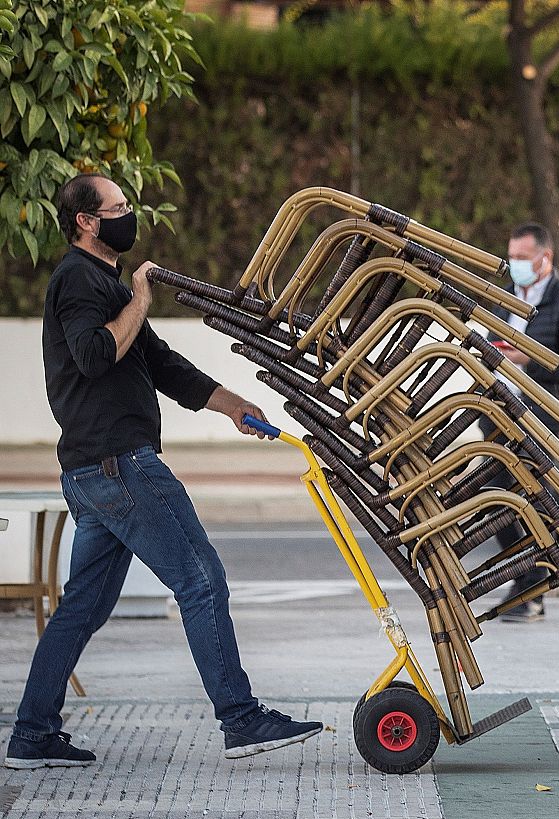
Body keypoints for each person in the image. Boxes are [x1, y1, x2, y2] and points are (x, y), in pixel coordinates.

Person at [6, 174, 324, 770]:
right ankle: (240, 717)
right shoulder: (78, 280)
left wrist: (232, 404)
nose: (131, 216)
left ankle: (32, 733)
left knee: (83, 607)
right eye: (119, 208)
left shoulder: (101, 283)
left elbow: (159, 363)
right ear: (86, 222)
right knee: (200, 578)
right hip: (120, 466)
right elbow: (97, 354)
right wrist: (141, 296)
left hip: (94, 471)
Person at [487, 222, 559, 622]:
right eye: (511, 257)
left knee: (522, 499)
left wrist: (528, 359)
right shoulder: (504, 297)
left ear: (544, 257)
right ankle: (527, 583)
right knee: (492, 497)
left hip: (541, 419)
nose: (514, 265)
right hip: (499, 415)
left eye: (521, 258)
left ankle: (531, 587)